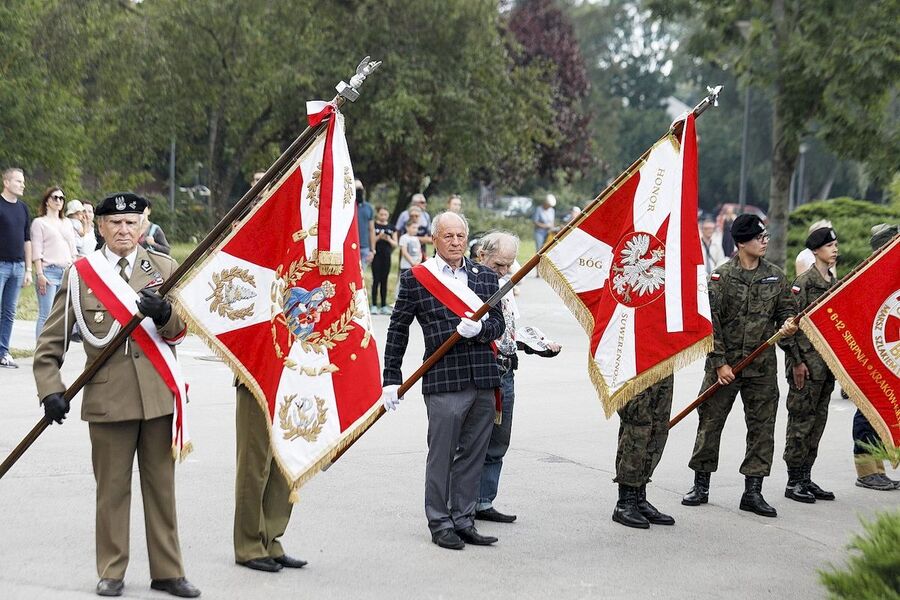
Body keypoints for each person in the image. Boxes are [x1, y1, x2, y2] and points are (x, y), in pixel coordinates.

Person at [32, 192, 200, 598]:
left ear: (143, 226)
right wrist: (50, 391)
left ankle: (168, 571)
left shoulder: (165, 268)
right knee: (111, 491)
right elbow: (49, 344)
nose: (124, 230)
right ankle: (111, 571)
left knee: (162, 489)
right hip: (109, 401)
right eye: (115, 223)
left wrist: (163, 314)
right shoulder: (81, 275)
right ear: (101, 227)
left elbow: (181, 330)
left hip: (159, 397)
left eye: (131, 223)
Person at [381, 211, 505, 550]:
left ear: (467, 239)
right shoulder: (417, 278)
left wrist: (481, 329)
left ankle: (464, 519)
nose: (455, 242)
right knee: (442, 454)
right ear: (434, 239)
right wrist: (391, 377)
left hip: (483, 376)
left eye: (460, 236)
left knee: (474, 454)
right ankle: (439, 522)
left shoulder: (484, 277)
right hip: (444, 379)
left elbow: (498, 324)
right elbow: (397, 330)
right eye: (448, 236)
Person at [682, 214, 798, 517]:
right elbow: (710, 326)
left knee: (762, 428)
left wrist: (788, 325)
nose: (765, 242)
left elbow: (786, 311)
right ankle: (701, 485)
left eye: (765, 236)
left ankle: (753, 491)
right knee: (710, 424)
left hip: (761, 369)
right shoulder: (721, 278)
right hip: (724, 367)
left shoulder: (775, 276)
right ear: (741, 242)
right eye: (759, 237)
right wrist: (719, 364)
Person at [473, 231, 560, 524]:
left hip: (506, 370)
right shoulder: (470, 284)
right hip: (480, 371)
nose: (504, 271)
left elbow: (509, 329)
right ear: (482, 255)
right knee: (471, 441)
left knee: (498, 440)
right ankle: (461, 504)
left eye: (509, 265)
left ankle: (484, 501)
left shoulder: (505, 285)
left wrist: (537, 344)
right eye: (498, 264)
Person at [779, 226, 839, 503]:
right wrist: (797, 363)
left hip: (826, 368)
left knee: (817, 422)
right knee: (800, 423)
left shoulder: (834, 285)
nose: (834, 249)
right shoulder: (803, 284)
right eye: (829, 246)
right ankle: (793, 481)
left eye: (835, 245)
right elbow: (787, 329)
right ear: (816, 251)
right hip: (805, 367)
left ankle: (806, 476)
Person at [233, 383, 307, 572]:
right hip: (256, 373)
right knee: (254, 463)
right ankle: (248, 544)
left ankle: (270, 539)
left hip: (290, 376)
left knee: (284, 464)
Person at [852, 223, 900, 491]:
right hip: (870, 355)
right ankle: (867, 471)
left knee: (886, 410)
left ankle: (879, 468)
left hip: (889, 353)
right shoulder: (868, 274)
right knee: (866, 413)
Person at [613, 376, 677, 529]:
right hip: (635, 370)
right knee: (637, 430)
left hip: (662, 364)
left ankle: (639, 498)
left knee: (658, 429)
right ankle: (625, 502)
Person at [30, 187, 77, 337]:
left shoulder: (67, 222)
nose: (58, 201)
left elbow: (73, 249)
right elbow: (36, 251)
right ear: (47, 201)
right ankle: (40, 353)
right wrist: (40, 274)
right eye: (55, 197)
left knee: (60, 315)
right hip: (48, 271)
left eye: (61, 198)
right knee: (46, 314)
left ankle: (53, 352)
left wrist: (74, 269)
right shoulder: (39, 222)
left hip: (66, 271)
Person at [0, 167, 32, 369]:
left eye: (23, 181)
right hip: (0, 265)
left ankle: (3, 351)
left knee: (9, 312)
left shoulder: (23, 208)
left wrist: (28, 269)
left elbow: (27, 240)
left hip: (18, 266)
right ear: (6, 182)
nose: (23, 185)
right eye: (19, 181)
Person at [370, 205, 397, 314]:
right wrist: (378, 237)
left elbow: (396, 244)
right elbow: (370, 240)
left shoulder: (391, 228)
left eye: (385, 214)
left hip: (386, 256)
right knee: (376, 279)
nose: (383, 216)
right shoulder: (374, 226)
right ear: (378, 214)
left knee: (384, 280)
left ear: (388, 215)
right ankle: (374, 305)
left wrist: (388, 239)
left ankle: (384, 305)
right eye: (381, 214)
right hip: (376, 255)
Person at [355, 180, 376, 268]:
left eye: (360, 188)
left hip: (364, 248)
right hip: (350, 247)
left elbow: (371, 229)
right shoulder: (346, 208)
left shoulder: (368, 208)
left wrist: (372, 250)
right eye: (357, 189)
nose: (359, 191)